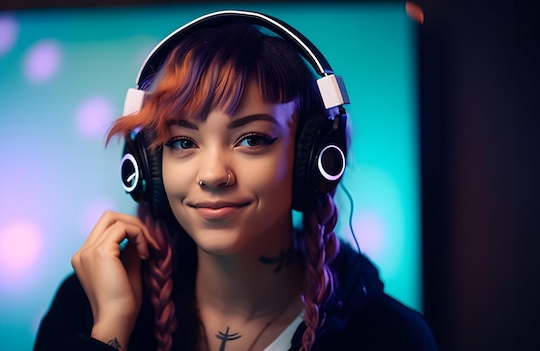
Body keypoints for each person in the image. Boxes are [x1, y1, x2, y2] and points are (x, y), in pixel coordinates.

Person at [34, 10, 437, 351]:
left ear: (313, 159)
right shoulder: (83, 308)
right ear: (146, 167)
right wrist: (110, 330)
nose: (212, 175)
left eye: (252, 139)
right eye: (182, 142)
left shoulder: (391, 337)